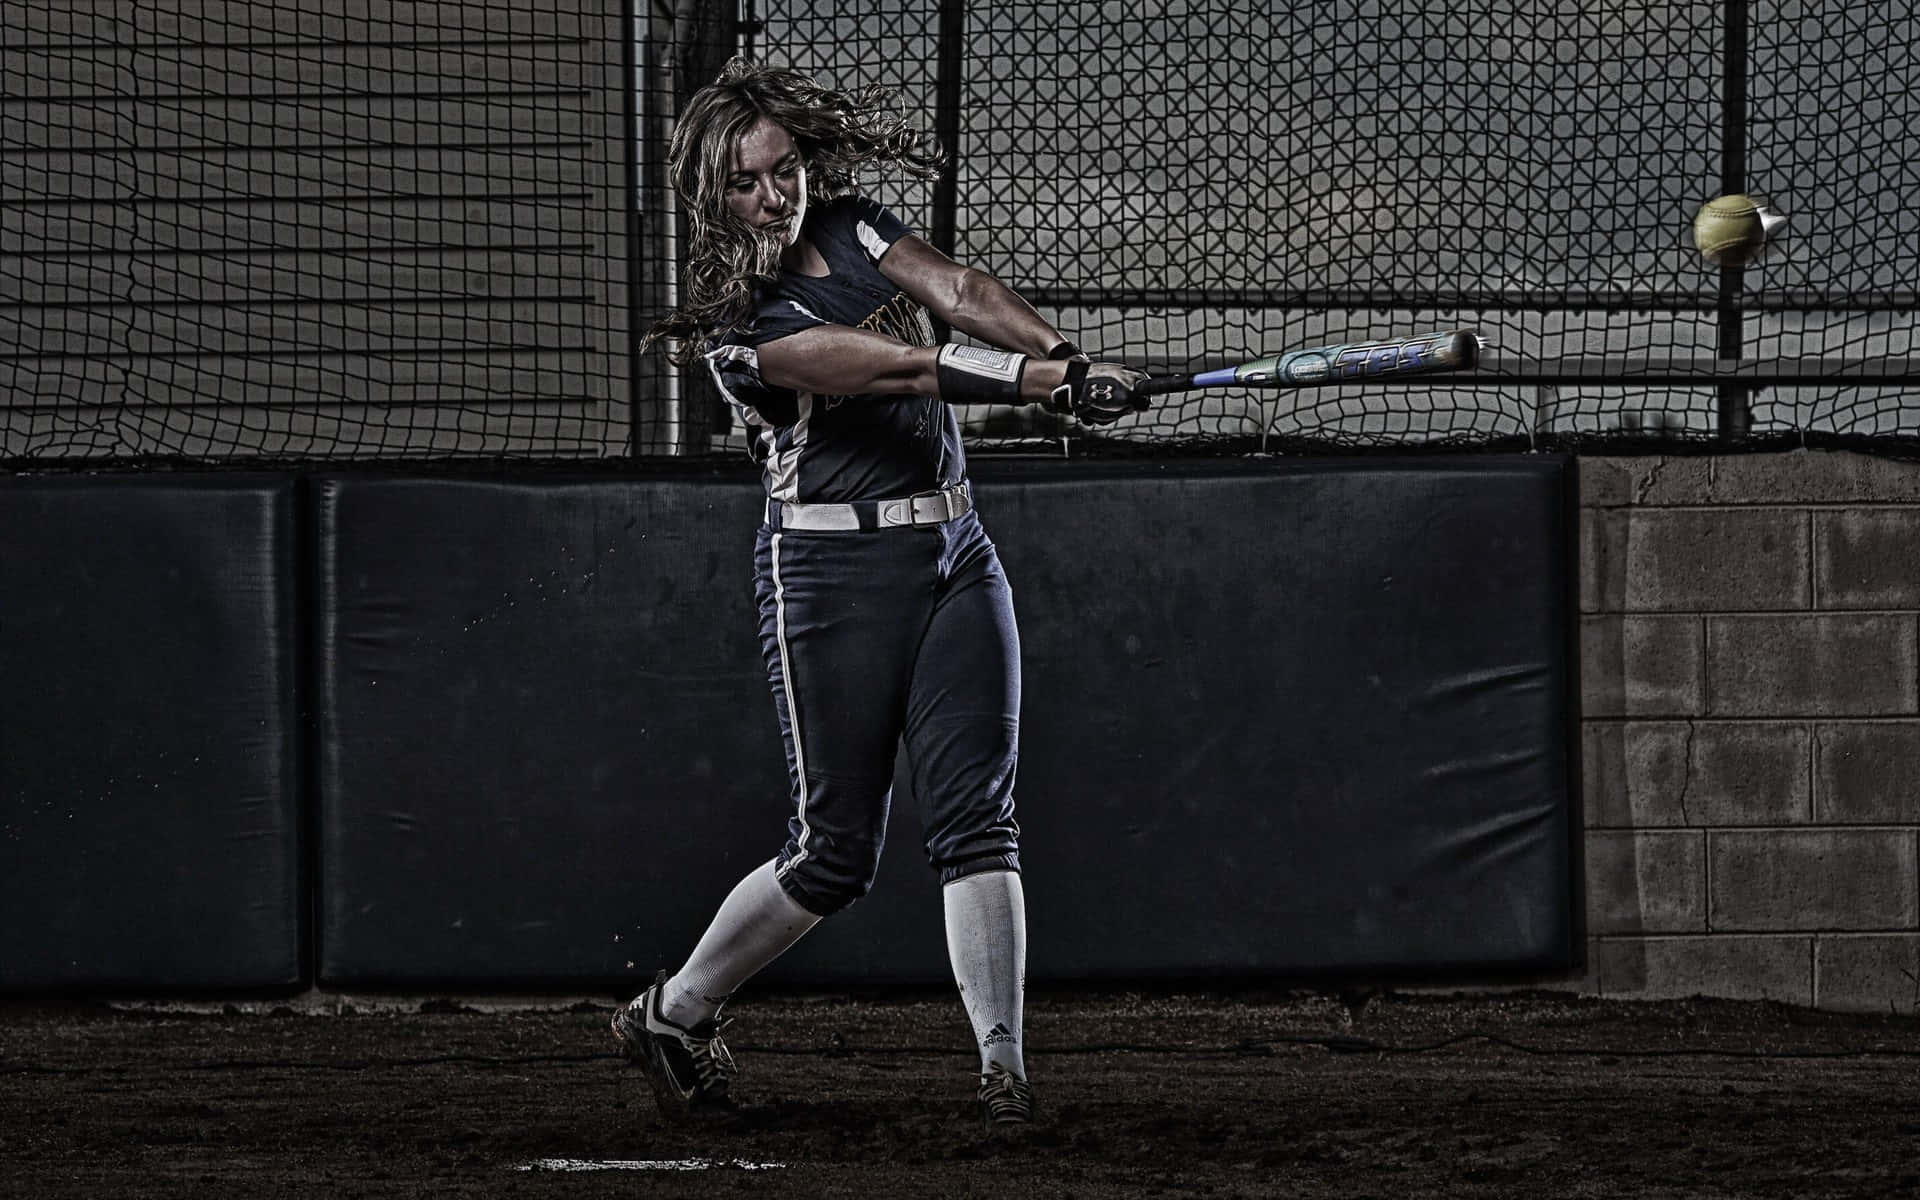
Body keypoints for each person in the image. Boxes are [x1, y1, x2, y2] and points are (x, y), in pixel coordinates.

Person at [611, 56, 1147, 1129]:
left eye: (787, 167)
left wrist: (1065, 355)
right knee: (834, 854)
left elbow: (958, 294)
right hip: (830, 579)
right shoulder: (742, 332)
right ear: (712, 199)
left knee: (979, 819)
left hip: (955, 553)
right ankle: (675, 1011)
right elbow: (902, 367)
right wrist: (1042, 387)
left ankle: (1004, 1070)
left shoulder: (855, 226)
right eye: (751, 183)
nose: (780, 192)